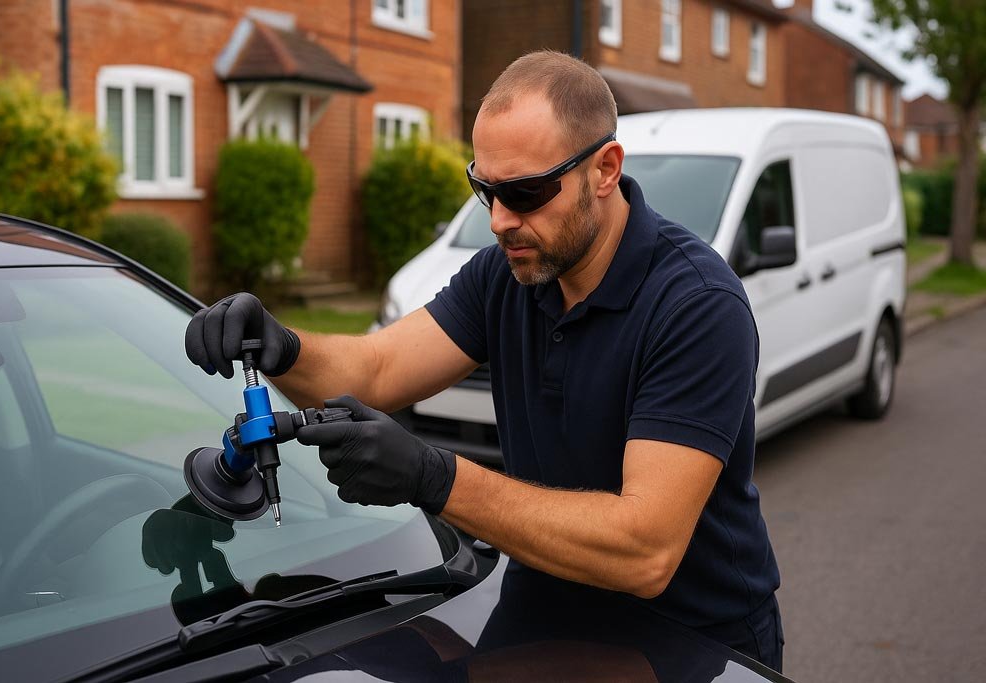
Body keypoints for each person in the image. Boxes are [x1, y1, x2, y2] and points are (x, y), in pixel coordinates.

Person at [185, 50, 783, 671]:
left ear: (605, 169)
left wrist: (435, 477)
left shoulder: (696, 304)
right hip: (536, 612)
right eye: (484, 189)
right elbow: (379, 367)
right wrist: (281, 345)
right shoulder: (511, 273)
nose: (500, 221)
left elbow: (644, 549)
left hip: (690, 645)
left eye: (524, 191)